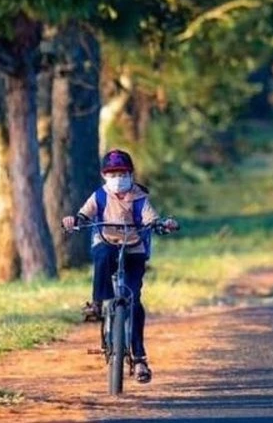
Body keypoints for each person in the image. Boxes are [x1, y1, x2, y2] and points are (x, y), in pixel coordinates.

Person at [62, 149, 178, 384]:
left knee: (133, 300)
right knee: (102, 255)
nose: (118, 177)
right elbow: (84, 215)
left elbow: (151, 219)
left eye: (122, 173)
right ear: (105, 175)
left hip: (134, 249)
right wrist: (73, 221)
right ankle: (97, 304)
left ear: (130, 174)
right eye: (112, 173)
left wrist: (162, 224)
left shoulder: (139, 198)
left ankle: (139, 359)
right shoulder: (100, 196)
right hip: (107, 243)